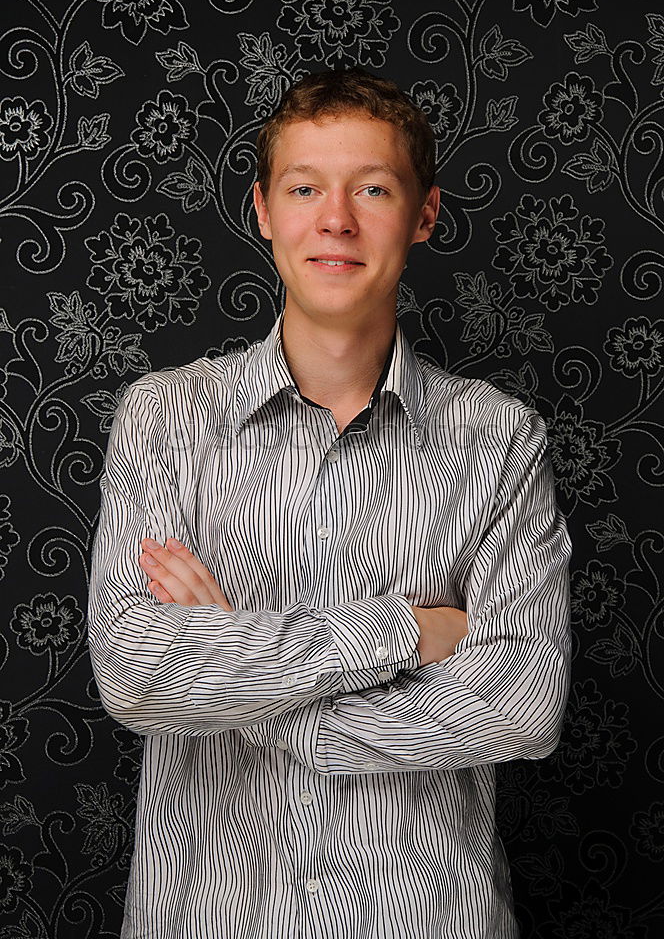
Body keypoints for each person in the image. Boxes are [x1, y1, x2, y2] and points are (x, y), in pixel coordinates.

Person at [88, 67, 572, 939]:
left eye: (373, 188)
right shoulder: (164, 419)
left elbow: (523, 708)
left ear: (423, 215)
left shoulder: (500, 441)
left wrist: (244, 682)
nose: (336, 220)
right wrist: (405, 632)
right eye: (305, 187)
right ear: (265, 210)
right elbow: (136, 675)